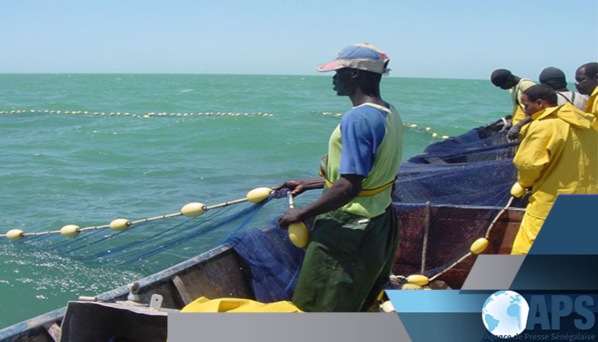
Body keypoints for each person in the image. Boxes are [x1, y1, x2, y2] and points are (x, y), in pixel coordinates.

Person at [276, 43, 403, 312]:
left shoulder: (357, 119)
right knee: (354, 299)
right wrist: (312, 183)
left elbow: (349, 187)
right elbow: (370, 175)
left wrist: (301, 214)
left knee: (321, 303)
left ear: (355, 75)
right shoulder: (389, 112)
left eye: (338, 72)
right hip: (380, 222)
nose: (334, 79)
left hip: (348, 228)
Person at [510, 84, 598, 255]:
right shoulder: (589, 127)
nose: (525, 111)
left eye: (526, 106)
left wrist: (524, 183)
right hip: (589, 198)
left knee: (526, 251)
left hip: (552, 201)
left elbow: (528, 164)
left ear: (540, 103)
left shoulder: (544, 125)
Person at [490, 69, 536, 140]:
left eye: (502, 85)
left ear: (509, 79)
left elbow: (538, 111)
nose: (502, 88)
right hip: (522, 129)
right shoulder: (514, 88)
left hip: (532, 128)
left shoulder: (526, 85)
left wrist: (518, 126)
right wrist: (511, 123)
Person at [575, 62, 598, 130]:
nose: (577, 84)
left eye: (581, 80)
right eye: (576, 81)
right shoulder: (593, 98)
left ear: (596, 78)